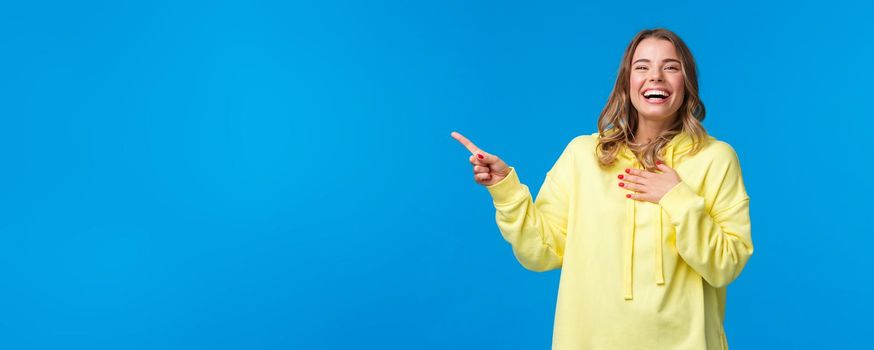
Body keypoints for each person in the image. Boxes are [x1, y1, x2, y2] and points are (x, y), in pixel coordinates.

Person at [451, 28, 753, 349]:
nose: (656, 77)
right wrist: (505, 188)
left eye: (670, 67)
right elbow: (540, 252)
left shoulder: (715, 158)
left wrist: (677, 197)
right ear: (627, 81)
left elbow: (726, 265)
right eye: (642, 67)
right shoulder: (583, 155)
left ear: (686, 82)